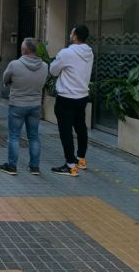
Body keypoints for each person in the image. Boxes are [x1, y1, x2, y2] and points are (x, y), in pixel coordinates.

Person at [0, 38, 48, 176]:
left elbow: (5, 78)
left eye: (22, 47)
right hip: (35, 105)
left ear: (25, 50)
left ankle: (12, 166)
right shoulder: (44, 66)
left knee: (14, 136)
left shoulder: (15, 64)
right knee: (34, 136)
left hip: (17, 105)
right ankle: (34, 167)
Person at [50, 24, 94, 177]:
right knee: (81, 127)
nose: (70, 33)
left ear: (75, 35)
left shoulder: (66, 53)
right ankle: (81, 159)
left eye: (71, 31)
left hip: (66, 97)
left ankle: (70, 165)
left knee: (66, 131)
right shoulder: (89, 52)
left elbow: (53, 70)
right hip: (82, 96)